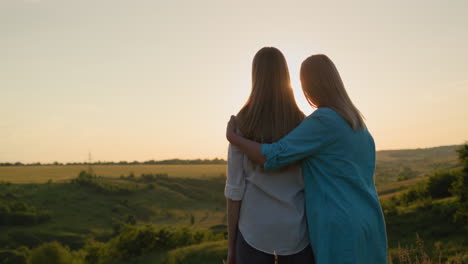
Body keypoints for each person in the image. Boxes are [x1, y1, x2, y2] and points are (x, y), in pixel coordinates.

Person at [226, 54, 388, 263]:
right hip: (370, 219)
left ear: (311, 86)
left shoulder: (323, 121)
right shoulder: (357, 123)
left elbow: (274, 156)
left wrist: (235, 139)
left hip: (339, 225)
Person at [225, 47, 315, 264]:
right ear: (285, 75)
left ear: (255, 76)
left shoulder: (240, 124)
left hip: (253, 235)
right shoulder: (303, 123)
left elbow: (235, 192)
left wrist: (231, 248)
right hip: (296, 235)